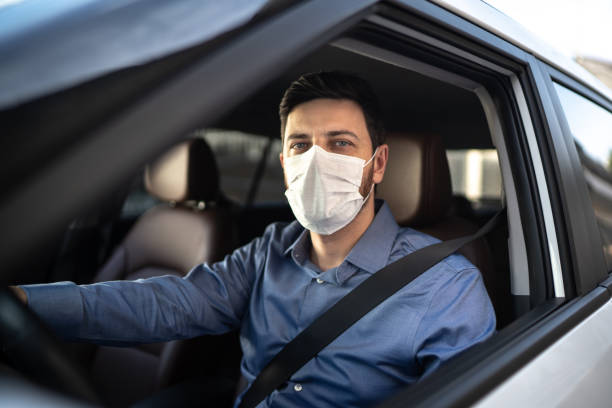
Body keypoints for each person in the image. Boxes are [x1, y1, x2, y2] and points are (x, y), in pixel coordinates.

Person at [11, 71, 495, 407]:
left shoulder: (446, 287)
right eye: (300, 145)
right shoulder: (269, 250)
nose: (316, 160)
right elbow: (172, 302)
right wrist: (24, 307)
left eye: (341, 144)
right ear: (284, 164)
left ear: (380, 164)